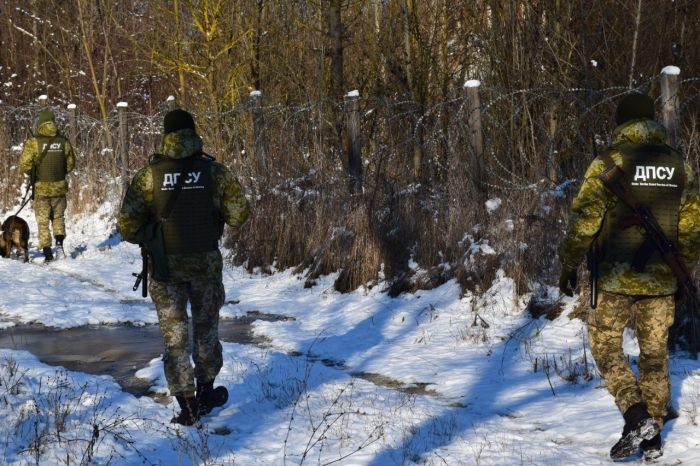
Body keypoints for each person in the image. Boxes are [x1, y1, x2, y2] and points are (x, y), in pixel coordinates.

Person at [558, 93, 700, 461]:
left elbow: (584, 220)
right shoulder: (680, 166)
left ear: (622, 122)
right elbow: (692, 229)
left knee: (606, 346)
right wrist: (680, 276)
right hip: (662, 279)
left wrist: (568, 263)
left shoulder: (610, 161)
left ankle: (637, 417)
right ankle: (652, 441)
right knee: (655, 357)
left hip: (614, 278)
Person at [117, 109, 251, 426]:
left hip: (166, 271)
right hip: (205, 268)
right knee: (206, 335)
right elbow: (239, 215)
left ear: (166, 135)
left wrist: (150, 236)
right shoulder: (215, 172)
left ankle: (189, 407)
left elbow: (125, 225)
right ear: (193, 133)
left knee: (175, 342)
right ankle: (205, 392)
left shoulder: (149, 175)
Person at [20, 110, 75, 263]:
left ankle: (48, 254)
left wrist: (33, 174)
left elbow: (25, 164)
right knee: (58, 217)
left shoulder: (33, 142)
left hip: (41, 188)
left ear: (40, 123)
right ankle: (59, 245)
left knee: (43, 221)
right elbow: (70, 165)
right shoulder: (64, 141)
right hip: (59, 188)